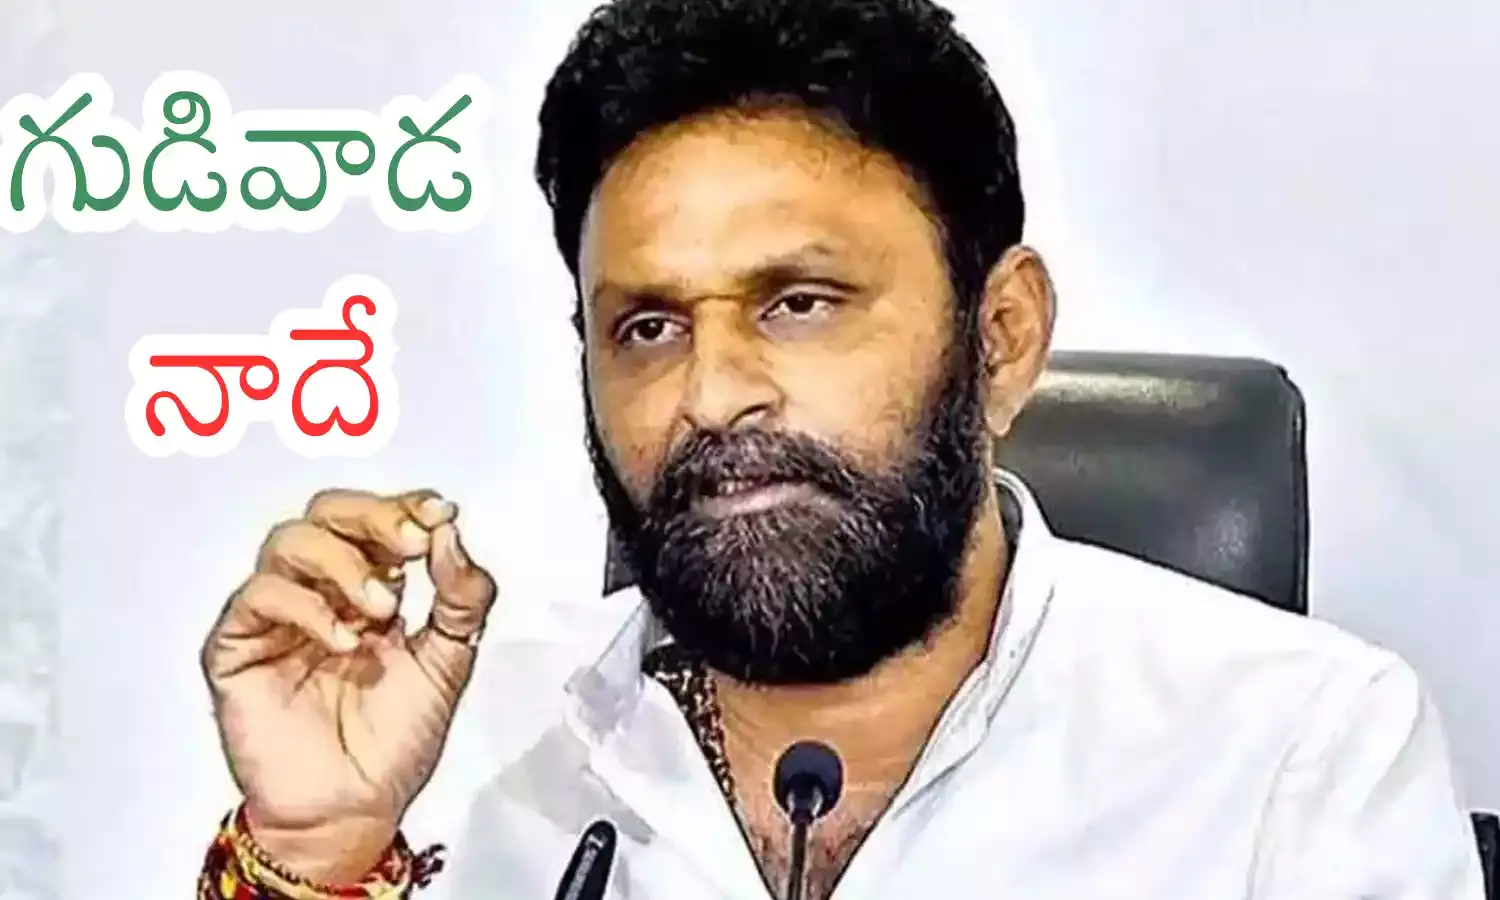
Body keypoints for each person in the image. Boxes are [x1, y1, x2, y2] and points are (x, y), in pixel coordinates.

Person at [193, 0, 1486, 897]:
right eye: (647, 327)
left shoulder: (1297, 756)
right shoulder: (466, 744)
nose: (711, 396)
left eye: (799, 304)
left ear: (1003, 337)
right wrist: (311, 858)